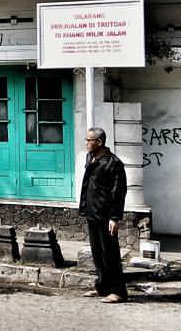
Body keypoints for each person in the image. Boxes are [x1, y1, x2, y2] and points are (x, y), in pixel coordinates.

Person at [79, 127, 128, 303]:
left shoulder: (113, 163)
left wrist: (115, 217)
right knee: (97, 252)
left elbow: (118, 192)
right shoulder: (90, 158)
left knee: (110, 253)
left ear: (99, 142)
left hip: (107, 216)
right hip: (92, 213)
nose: (86, 143)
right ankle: (102, 287)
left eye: (89, 140)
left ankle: (118, 291)